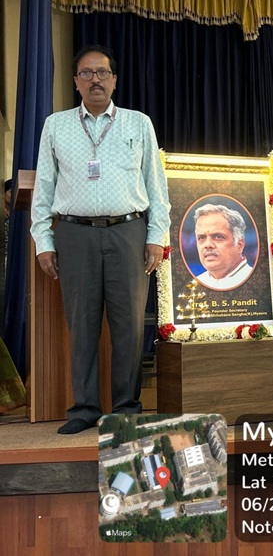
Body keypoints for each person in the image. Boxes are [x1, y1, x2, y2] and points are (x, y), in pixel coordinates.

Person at [30, 44, 170, 434]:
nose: (95, 79)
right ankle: (85, 408)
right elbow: (43, 189)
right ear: (75, 81)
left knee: (128, 326)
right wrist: (45, 240)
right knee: (82, 324)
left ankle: (126, 408)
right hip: (74, 234)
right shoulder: (55, 125)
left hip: (129, 232)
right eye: (87, 73)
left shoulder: (138, 123)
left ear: (114, 80)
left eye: (103, 73)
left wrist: (156, 236)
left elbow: (156, 189)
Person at [193, 203, 254, 290]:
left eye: (218, 237)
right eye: (201, 238)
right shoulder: (194, 286)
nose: (208, 245)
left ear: (239, 245)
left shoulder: (256, 282)